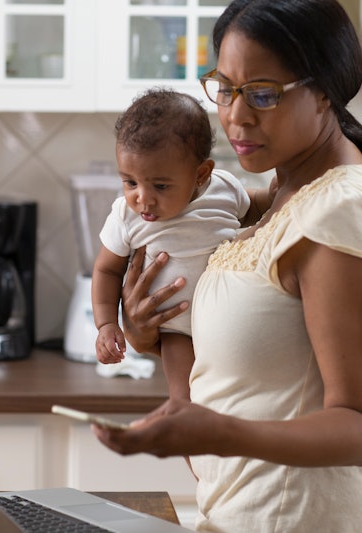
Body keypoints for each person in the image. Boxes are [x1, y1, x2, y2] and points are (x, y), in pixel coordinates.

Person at [90, 1, 362, 532]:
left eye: (263, 94)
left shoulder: (339, 212)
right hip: (242, 514)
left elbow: (360, 429)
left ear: (324, 91)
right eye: (226, 87)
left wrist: (215, 432)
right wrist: (145, 332)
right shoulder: (283, 194)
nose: (236, 115)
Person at [92, 87, 274, 400]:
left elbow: (255, 206)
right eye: (130, 182)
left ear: (201, 174)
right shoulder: (126, 215)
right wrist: (107, 323)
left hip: (233, 323)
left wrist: (279, 193)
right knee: (186, 401)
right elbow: (107, 271)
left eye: (160, 185)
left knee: (235, 398)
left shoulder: (224, 189)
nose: (142, 198)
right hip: (178, 330)